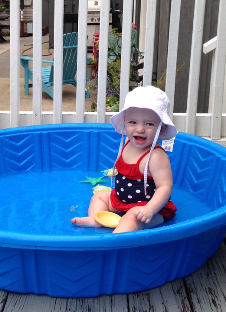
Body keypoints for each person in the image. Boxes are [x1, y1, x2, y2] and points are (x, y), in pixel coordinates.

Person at [71, 86, 177, 233]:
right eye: (133, 122)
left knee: (131, 218)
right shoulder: (127, 142)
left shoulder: (156, 156)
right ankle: (96, 219)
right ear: (125, 121)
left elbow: (165, 187)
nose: (140, 129)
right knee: (100, 197)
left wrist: (150, 209)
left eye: (149, 124)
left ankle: (116, 238)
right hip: (120, 200)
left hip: (147, 209)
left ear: (162, 128)